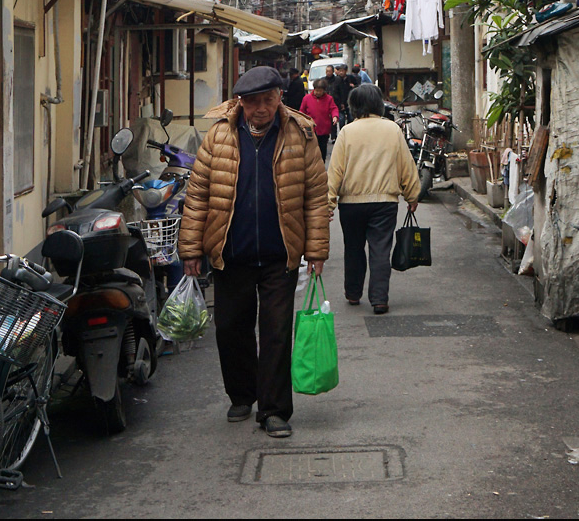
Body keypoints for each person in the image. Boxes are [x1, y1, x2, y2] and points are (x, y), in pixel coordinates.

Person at [178, 66, 330, 438]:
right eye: (252, 102)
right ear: (240, 103)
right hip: (231, 252)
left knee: (277, 332)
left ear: (280, 97)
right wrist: (191, 249)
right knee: (231, 328)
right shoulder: (218, 136)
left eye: (267, 100)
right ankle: (242, 394)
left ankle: (275, 410)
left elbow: (315, 195)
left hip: (281, 253)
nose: (260, 108)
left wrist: (317, 250)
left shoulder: (301, 133)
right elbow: (197, 195)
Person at [327, 84, 420, 315]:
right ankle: (379, 299)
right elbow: (406, 165)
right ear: (379, 104)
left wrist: (328, 203)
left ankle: (353, 292)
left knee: (353, 248)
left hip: (350, 203)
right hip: (384, 202)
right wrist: (412, 194)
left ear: (354, 106)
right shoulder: (392, 130)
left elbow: (335, 171)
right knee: (380, 249)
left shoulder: (347, 131)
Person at [299, 78, 339, 161]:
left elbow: (333, 108)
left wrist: (335, 116)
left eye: (320, 91)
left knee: (322, 149)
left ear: (324, 90)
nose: (318, 92)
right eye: (316, 90)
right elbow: (302, 111)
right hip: (310, 128)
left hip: (324, 128)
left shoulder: (329, 99)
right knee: (311, 149)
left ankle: (321, 165)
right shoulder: (307, 98)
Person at [325, 65, 346, 140]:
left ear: (333, 71)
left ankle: (340, 135)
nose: (328, 73)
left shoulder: (338, 80)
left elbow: (342, 91)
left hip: (337, 102)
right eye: (326, 71)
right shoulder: (323, 80)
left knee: (339, 118)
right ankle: (332, 136)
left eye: (329, 71)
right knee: (329, 120)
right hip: (326, 103)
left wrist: (343, 102)